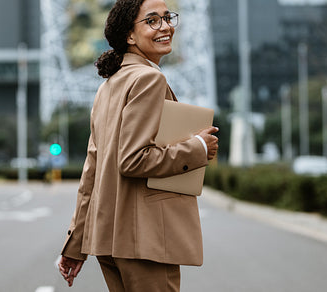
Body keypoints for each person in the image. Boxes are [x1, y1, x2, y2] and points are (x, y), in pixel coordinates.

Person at [58, 0, 219, 291]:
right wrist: (197, 148)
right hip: (144, 240)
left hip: (109, 241)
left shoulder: (109, 85)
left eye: (168, 18)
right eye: (153, 21)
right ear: (130, 36)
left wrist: (75, 244)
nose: (166, 26)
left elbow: (91, 173)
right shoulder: (148, 78)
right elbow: (133, 160)